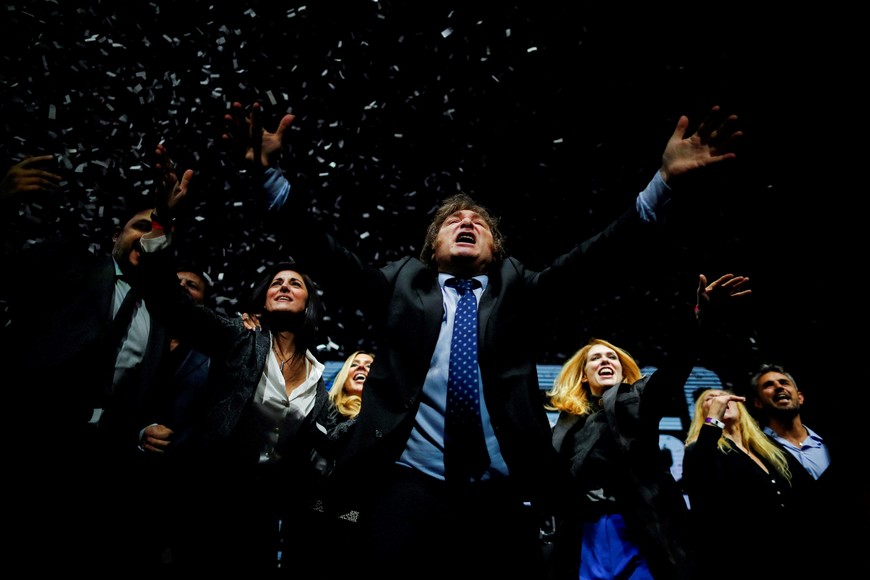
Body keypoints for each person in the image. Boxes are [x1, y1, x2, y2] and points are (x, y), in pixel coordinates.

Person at [222, 100, 742, 578]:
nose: (466, 220)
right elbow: (327, 257)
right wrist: (268, 181)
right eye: (453, 220)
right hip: (405, 484)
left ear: (495, 249)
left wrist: (664, 184)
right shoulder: (401, 283)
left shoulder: (520, 289)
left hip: (502, 492)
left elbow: (595, 261)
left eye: (478, 222)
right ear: (432, 248)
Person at [133, 155, 338, 575]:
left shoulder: (319, 375)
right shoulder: (238, 337)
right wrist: (162, 221)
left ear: (308, 304)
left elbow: (337, 436)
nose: (283, 285)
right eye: (275, 282)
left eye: (294, 283)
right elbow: (172, 303)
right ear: (263, 298)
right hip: (210, 498)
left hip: (265, 511)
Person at [0, 153, 191, 574]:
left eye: (156, 232)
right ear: (113, 238)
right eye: (138, 227)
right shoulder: (70, 267)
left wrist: (141, 429)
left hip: (102, 470)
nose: (146, 238)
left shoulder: (165, 314)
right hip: (28, 446)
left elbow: (147, 394)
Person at [545, 273, 750, 580]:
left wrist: (699, 319)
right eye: (595, 358)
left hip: (637, 526)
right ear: (583, 375)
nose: (605, 360)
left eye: (611, 357)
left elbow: (674, 369)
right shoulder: (566, 424)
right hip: (583, 535)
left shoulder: (638, 397)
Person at [748, 363, 863, 575]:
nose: (779, 387)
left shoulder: (837, 446)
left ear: (800, 397)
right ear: (757, 402)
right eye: (769, 385)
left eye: (784, 383)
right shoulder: (753, 453)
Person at [682, 388, 799, 579]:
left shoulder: (767, 448)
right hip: (741, 562)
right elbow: (701, 481)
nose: (720, 400)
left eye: (723, 396)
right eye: (710, 399)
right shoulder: (699, 449)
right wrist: (713, 421)